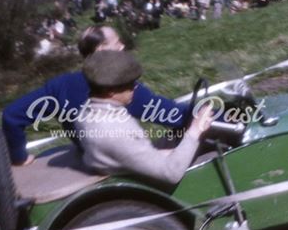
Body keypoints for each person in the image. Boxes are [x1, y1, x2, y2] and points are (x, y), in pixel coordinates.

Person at [1, 26, 188, 166]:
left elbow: (12, 116)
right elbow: (175, 116)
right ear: (101, 50)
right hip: (120, 163)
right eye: (118, 42)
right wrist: (209, 113)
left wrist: (19, 157)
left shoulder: (60, 86)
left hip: (87, 159)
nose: (123, 46)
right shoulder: (122, 89)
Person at [76, 51, 213, 183]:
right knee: (219, 155)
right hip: (153, 178)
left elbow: (132, 154)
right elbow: (171, 173)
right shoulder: (115, 131)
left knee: (179, 137)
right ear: (110, 91)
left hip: (124, 163)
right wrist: (196, 129)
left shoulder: (85, 112)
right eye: (130, 85)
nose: (135, 88)